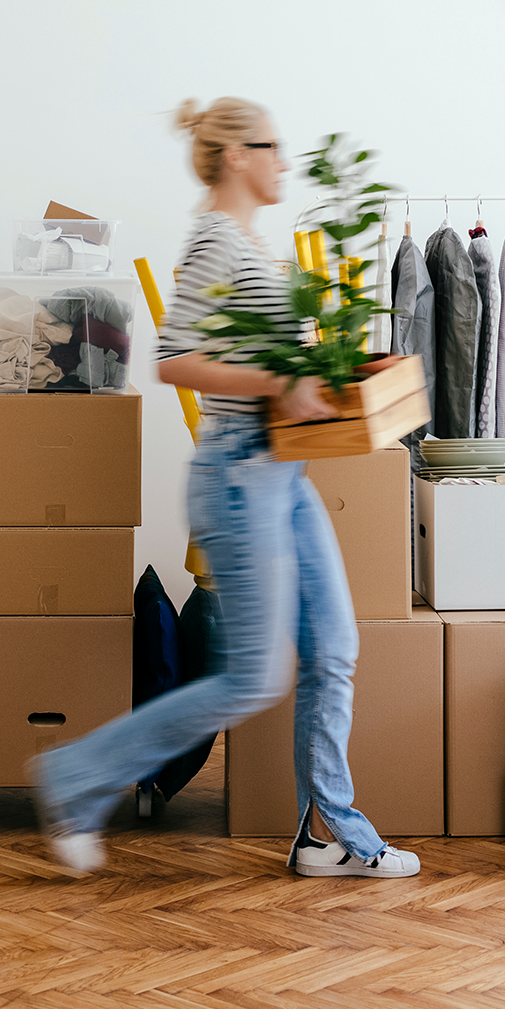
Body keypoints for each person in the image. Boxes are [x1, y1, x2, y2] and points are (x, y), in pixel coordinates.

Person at [28, 96, 422, 881]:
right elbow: (174, 358)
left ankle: (325, 834)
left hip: (281, 472)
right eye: (272, 147)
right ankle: (75, 778)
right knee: (254, 677)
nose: (284, 160)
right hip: (241, 477)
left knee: (335, 648)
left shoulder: (248, 242)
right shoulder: (215, 241)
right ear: (236, 155)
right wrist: (282, 377)